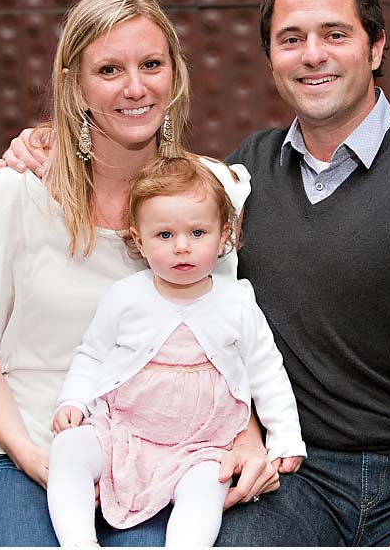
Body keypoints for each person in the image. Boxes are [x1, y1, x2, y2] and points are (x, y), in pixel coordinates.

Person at [0, 0, 390, 547]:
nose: (312, 55)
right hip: (292, 474)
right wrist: (49, 140)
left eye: (335, 34)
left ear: (376, 47)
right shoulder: (245, 174)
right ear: (271, 57)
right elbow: (166, 201)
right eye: (290, 38)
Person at [0, 0, 282, 547]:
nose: (135, 87)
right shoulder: (7, 198)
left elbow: (226, 345)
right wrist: (33, 457)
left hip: (164, 456)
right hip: (27, 446)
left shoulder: (211, 196)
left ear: (174, 75)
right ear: (73, 84)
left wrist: (249, 438)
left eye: (152, 64)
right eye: (108, 69)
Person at [46, 156, 306, 546]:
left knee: (209, 487)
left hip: (202, 446)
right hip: (124, 431)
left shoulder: (236, 302)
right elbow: (92, 355)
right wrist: (74, 400)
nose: (182, 247)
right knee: (67, 449)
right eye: (164, 235)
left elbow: (267, 372)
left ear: (224, 236)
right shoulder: (125, 297)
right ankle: (78, 543)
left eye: (198, 232)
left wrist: (285, 436)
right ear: (139, 240)